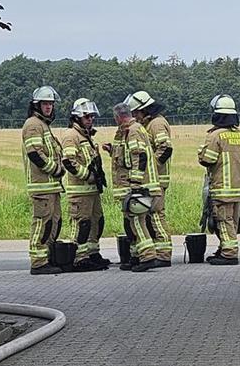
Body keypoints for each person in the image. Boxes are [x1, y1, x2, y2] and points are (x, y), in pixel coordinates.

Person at [106, 102, 160, 272]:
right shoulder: (132, 129)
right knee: (131, 222)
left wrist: (135, 184)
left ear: (118, 117)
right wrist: (112, 151)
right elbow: (128, 156)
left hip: (140, 186)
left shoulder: (133, 130)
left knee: (137, 221)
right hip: (138, 186)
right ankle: (136, 256)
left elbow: (139, 156)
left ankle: (147, 256)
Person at [197, 95, 240, 265]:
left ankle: (229, 253)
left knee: (223, 221)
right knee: (232, 222)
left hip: (221, 188)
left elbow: (207, 159)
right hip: (237, 188)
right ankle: (224, 249)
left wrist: (201, 151)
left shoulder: (216, 136)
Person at [57, 98, 109, 272]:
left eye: (92, 117)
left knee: (97, 222)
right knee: (82, 225)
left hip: (92, 192)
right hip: (80, 192)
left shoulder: (87, 136)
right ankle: (78, 258)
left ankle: (92, 253)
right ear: (77, 118)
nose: (90, 120)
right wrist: (88, 176)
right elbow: (69, 162)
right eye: (87, 117)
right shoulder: (71, 135)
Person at [125, 90, 173, 266]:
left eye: (136, 112)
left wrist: (152, 167)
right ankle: (157, 252)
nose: (135, 116)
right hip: (153, 179)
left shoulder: (157, 123)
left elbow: (166, 148)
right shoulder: (149, 123)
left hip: (157, 180)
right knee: (151, 216)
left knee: (156, 215)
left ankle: (163, 255)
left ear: (145, 110)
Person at [22, 85, 65, 275]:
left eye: (50, 104)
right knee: (43, 222)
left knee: (54, 222)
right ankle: (38, 261)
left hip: (52, 186)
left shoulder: (44, 125)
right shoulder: (33, 125)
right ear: (36, 105)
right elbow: (35, 155)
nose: (48, 107)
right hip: (42, 186)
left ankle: (47, 257)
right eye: (45, 104)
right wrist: (55, 169)